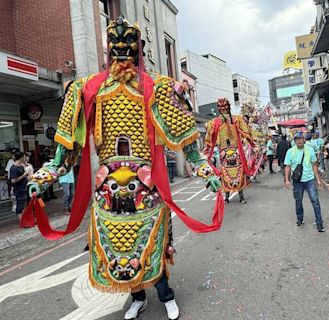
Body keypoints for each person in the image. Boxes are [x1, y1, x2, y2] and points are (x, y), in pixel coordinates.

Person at [25, 17, 224, 320]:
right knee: (119, 251)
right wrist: (46, 174)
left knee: (151, 245)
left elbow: (190, 148)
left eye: (128, 44)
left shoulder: (159, 87)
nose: (121, 51)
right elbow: (63, 153)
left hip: (146, 188)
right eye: (115, 45)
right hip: (107, 192)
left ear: (139, 49)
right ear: (107, 50)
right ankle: (137, 298)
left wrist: (206, 171)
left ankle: (166, 296)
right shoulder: (87, 89)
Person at [204, 97, 255, 204]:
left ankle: (241, 197)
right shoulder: (214, 122)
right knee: (225, 176)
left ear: (228, 107)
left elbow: (246, 133)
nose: (223, 109)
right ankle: (226, 197)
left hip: (236, 153)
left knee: (239, 175)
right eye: (221, 107)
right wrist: (206, 151)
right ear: (218, 108)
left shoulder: (237, 119)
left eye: (225, 107)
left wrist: (253, 144)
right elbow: (209, 138)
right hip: (224, 155)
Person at [284, 131, 324, 232]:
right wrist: (287, 180)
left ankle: (319, 223)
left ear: (304, 139)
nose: (299, 141)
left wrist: (318, 179)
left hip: (310, 180)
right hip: (297, 181)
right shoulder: (290, 152)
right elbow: (287, 166)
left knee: (315, 201)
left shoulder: (310, 150)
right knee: (298, 201)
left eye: (300, 138)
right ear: (294, 141)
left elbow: (314, 165)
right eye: (296, 139)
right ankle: (299, 219)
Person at [10, 152, 29, 220]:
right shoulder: (14, 168)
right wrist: (24, 175)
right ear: (21, 158)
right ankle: (22, 221)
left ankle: (26, 219)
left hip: (24, 188)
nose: (25, 158)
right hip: (19, 189)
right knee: (20, 206)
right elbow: (13, 181)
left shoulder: (21, 166)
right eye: (24, 157)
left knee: (24, 205)